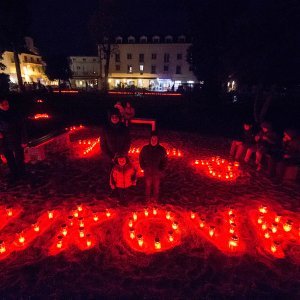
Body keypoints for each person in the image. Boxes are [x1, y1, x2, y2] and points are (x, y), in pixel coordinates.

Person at [0, 98, 27, 181]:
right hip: (4, 139)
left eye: (6, 104)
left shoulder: (15, 113)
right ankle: (14, 173)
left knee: (19, 156)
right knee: (9, 157)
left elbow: (22, 127)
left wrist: (24, 140)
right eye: (3, 105)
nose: (5, 106)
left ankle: (22, 173)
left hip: (15, 137)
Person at [139, 131, 167, 202]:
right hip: (147, 171)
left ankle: (155, 199)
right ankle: (147, 199)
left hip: (157, 172)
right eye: (152, 139)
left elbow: (165, 160)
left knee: (156, 186)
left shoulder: (162, 150)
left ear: (157, 140)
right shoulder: (145, 149)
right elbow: (140, 158)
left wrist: (162, 168)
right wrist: (143, 166)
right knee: (148, 186)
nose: (154, 141)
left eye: (155, 139)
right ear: (150, 139)